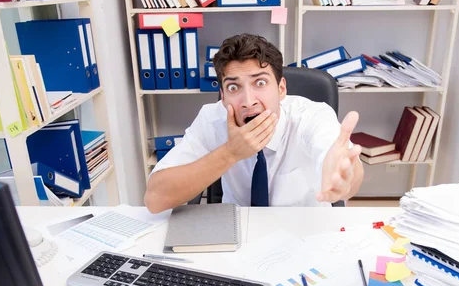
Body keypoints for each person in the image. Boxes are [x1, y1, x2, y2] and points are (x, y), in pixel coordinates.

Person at [144, 33, 364, 213]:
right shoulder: (211, 120)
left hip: (305, 234)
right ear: (222, 95)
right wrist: (230, 153)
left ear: (281, 89)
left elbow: (342, 168)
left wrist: (344, 177)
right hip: (238, 235)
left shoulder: (312, 116)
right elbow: (155, 199)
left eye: (260, 82)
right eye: (233, 87)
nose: (248, 101)